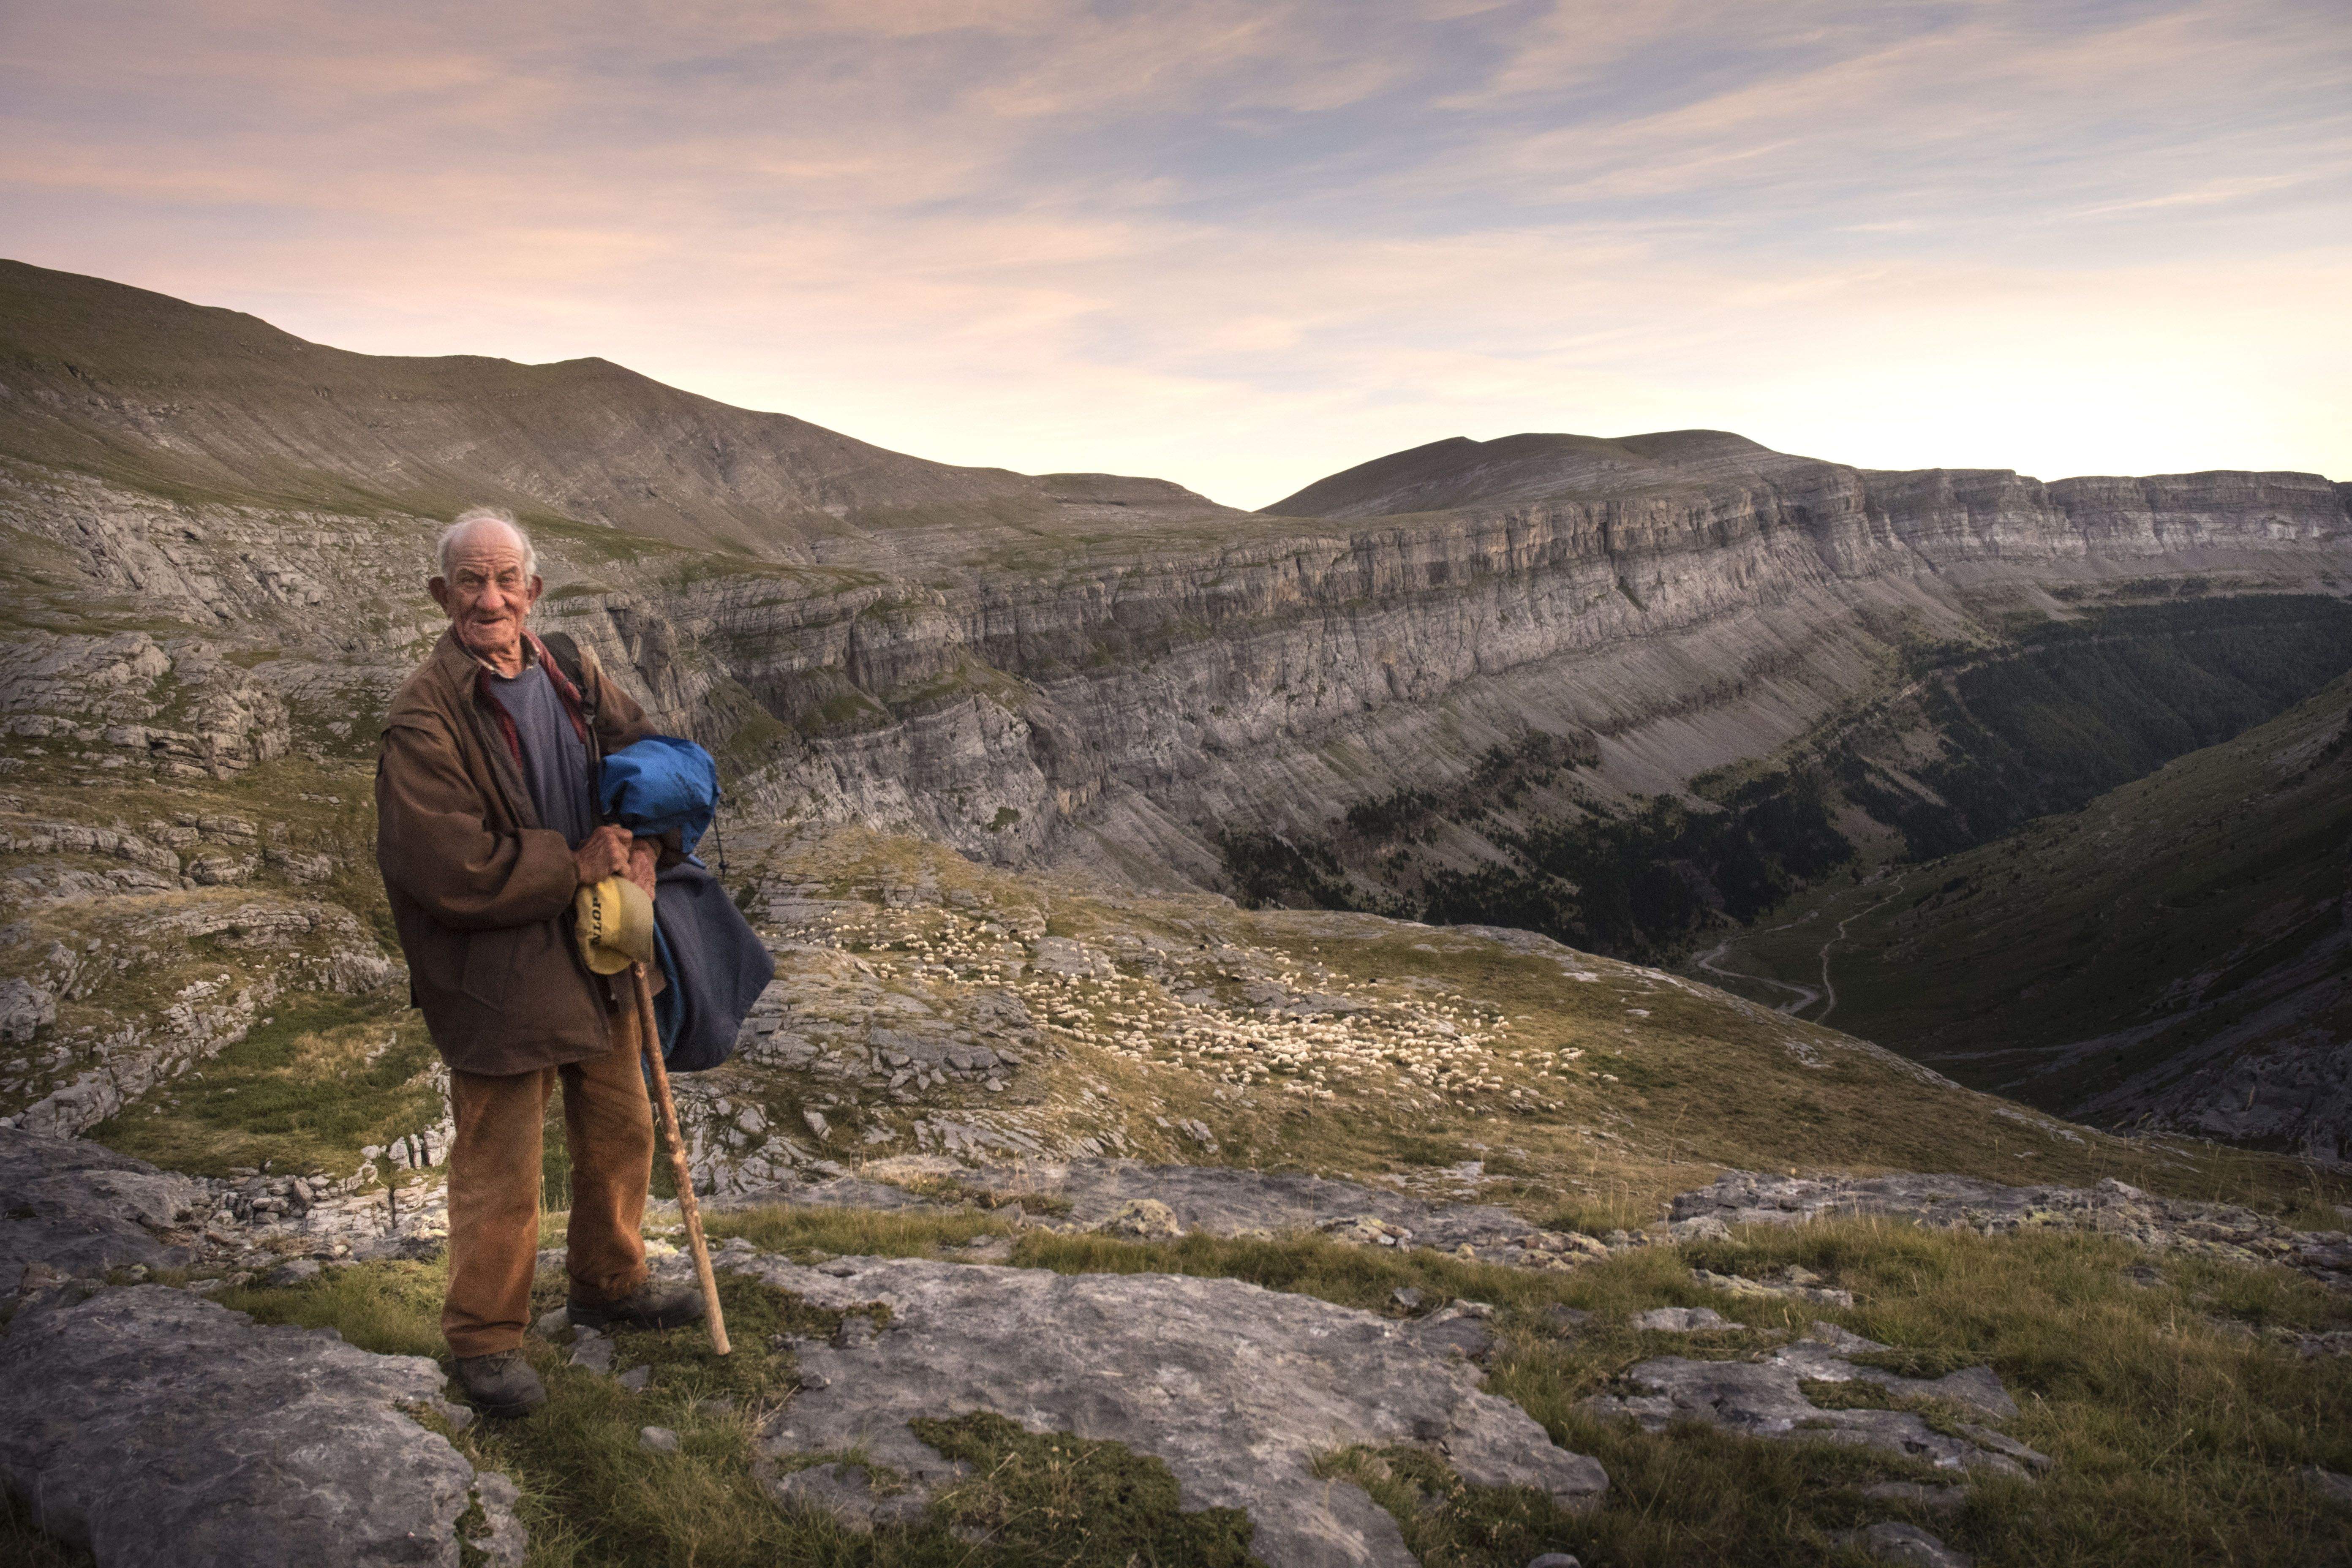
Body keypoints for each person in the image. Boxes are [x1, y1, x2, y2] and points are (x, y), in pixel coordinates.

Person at [376, 505, 702, 1418]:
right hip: (499, 968)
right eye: (470, 583)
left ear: (533, 590)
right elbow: (447, 866)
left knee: (622, 1123)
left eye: (504, 580)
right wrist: (576, 862)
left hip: (600, 944)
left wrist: (644, 848)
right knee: (502, 1159)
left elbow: (645, 758)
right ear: (443, 595)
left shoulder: (571, 668)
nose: (490, 599)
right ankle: (485, 1339)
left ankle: (611, 1282)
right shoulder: (423, 715)